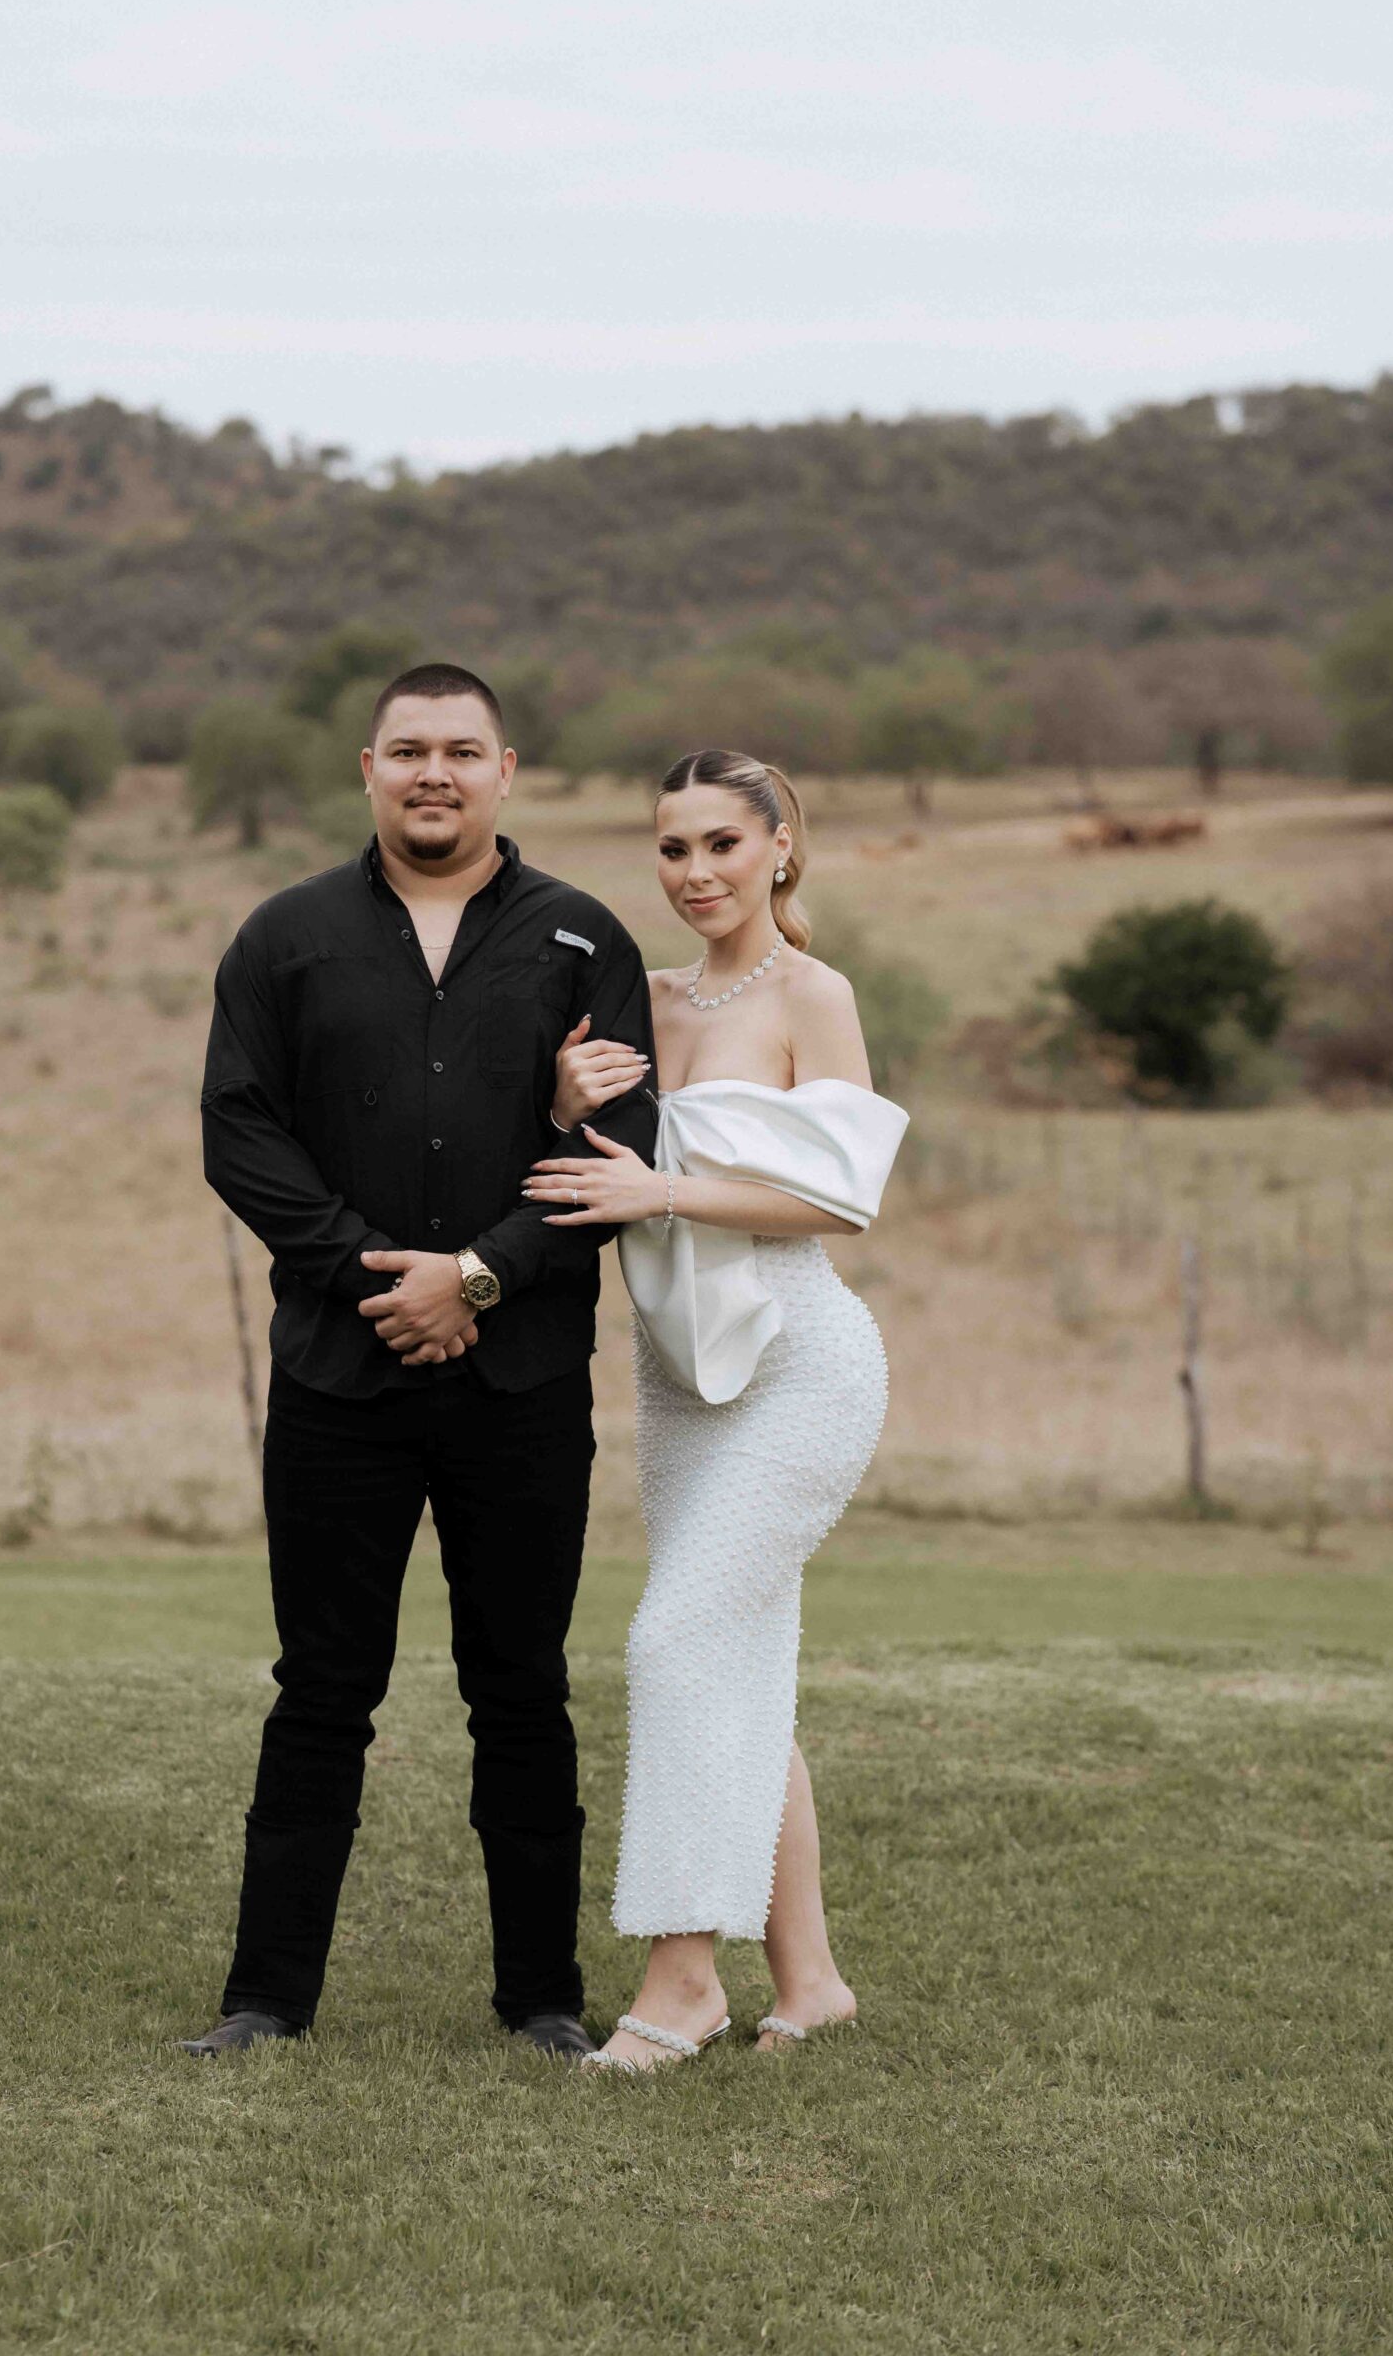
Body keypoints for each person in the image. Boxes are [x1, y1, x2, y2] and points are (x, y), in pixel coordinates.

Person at [183, 663, 657, 2061]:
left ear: (506, 769)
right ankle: (266, 2001)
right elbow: (238, 1132)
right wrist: (376, 1279)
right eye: (407, 751)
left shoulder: (583, 938)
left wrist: (480, 1276)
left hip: (523, 1384)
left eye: (460, 750)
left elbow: (622, 1153)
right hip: (340, 1379)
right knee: (322, 1689)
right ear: (369, 769)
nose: (432, 773)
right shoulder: (286, 938)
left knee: (522, 1688)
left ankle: (542, 1998)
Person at [520, 747, 908, 2071]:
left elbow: (843, 1199)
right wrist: (563, 1107)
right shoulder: (642, 999)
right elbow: (584, 1174)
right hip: (682, 1378)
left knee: (678, 1643)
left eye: (722, 845)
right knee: (734, 1667)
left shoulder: (813, 995)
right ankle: (813, 1981)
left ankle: (682, 1982)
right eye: (673, 848)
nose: (694, 872)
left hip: (801, 1366)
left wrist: (665, 1192)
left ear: (779, 846)